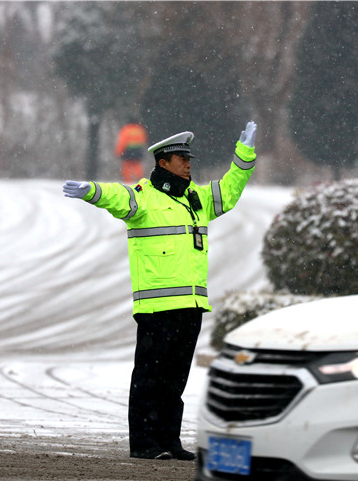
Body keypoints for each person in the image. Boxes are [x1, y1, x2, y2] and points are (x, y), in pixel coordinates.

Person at [63, 121, 258, 461]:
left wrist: (244, 155)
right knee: (149, 379)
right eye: (182, 158)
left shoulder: (197, 198)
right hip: (158, 307)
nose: (188, 164)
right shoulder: (144, 197)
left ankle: (169, 441)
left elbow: (230, 190)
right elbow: (115, 196)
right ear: (164, 163)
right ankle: (142, 443)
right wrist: (91, 190)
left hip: (191, 305)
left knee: (175, 381)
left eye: (189, 158)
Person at [114, 119, 148, 183]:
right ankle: (139, 179)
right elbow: (144, 140)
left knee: (127, 166)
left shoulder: (126, 129)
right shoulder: (140, 130)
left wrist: (118, 152)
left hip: (128, 151)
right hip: (138, 151)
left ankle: (128, 181)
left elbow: (122, 142)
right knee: (137, 165)